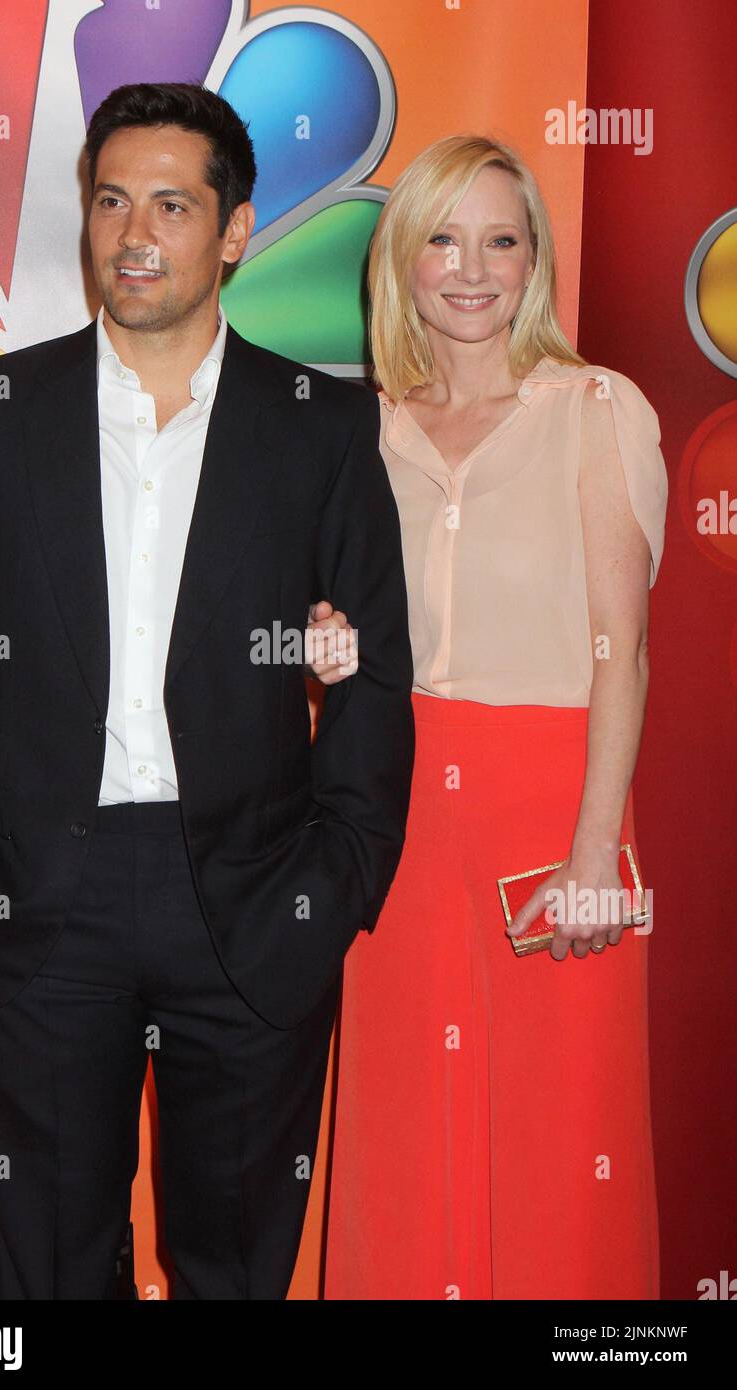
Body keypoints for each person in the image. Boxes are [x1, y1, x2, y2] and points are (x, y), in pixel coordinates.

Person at [0, 82, 414, 1300]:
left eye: (173, 205)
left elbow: (372, 672)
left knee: (235, 1268)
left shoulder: (322, 427)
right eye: (113, 200)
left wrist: (330, 885)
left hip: (253, 902)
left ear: (231, 231)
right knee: (51, 1268)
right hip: (41, 903)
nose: (135, 233)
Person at [314, 134, 667, 1299]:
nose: (471, 270)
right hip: (395, 814)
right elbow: (355, 640)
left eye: (500, 240)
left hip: (550, 812)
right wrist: (324, 655)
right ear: (400, 264)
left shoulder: (595, 408)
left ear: (533, 260)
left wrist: (591, 853)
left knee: (559, 1135)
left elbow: (621, 652)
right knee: (401, 1123)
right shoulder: (361, 432)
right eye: (441, 241)